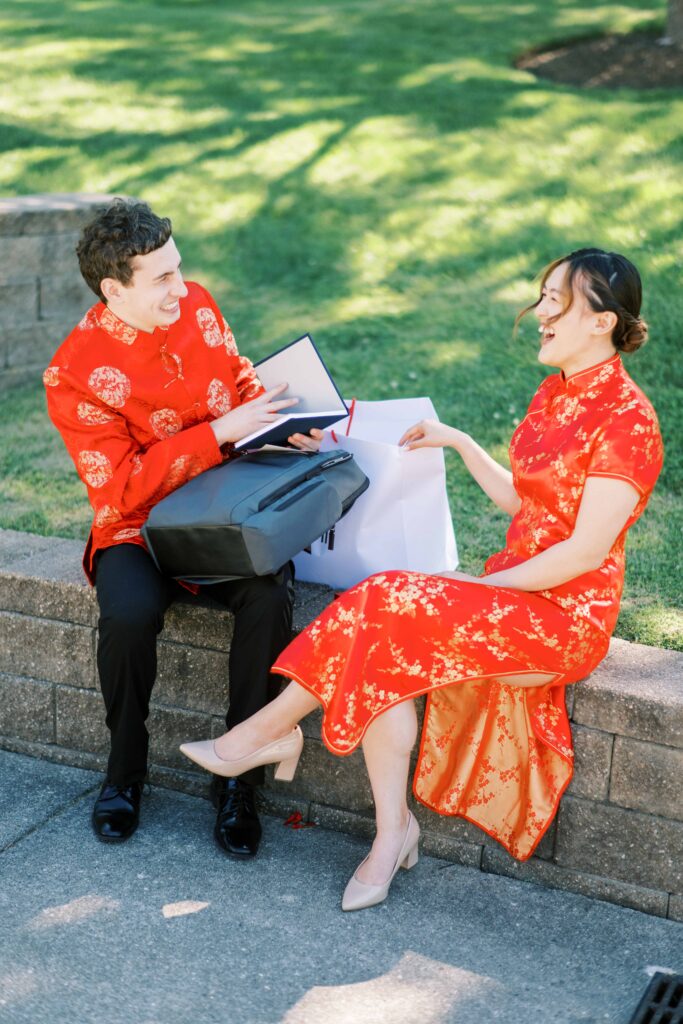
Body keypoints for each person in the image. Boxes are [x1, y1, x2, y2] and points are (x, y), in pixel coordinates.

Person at [181, 247, 664, 909]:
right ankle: (390, 832)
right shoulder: (554, 395)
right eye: (543, 294)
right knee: (383, 632)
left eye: (556, 299)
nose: (539, 311)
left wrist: (481, 590)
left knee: (385, 599)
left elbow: (583, 553)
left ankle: (265, 733)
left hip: (562, 620)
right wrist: (461, 441)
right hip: (515, 592)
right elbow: (529, 504)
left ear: (600, 321)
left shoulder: (629, 422)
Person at [43, 198, 322, 855]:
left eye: (179, 268)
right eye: (162, 277)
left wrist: (283, 422)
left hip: (228, 509)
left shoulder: (196, 302)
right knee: (129, 615)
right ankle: (125, 771)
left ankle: (240, 779)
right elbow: (117, 487)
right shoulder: (73, 373)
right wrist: (216, 435)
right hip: (136, 529)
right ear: (114, 289)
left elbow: (238, 380)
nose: (182, 286)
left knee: (268, 596)